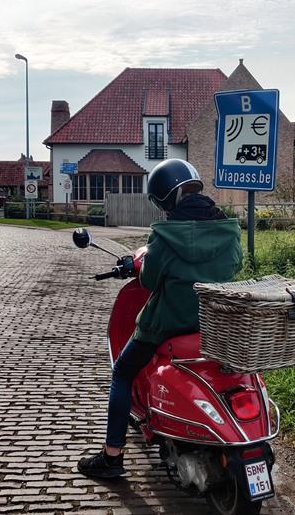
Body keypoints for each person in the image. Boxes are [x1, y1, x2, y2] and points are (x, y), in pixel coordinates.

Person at [77, 159, 243, 478]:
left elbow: (149, 280)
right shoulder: (228, 227)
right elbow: (235, 264)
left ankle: (112, 457)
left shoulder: (166, 234)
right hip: (212, 323)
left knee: (123, 371)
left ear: (163, 199)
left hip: (168, 323)